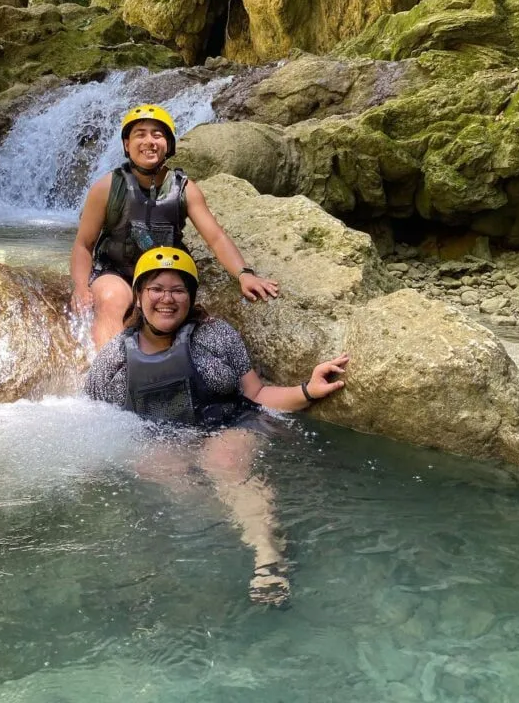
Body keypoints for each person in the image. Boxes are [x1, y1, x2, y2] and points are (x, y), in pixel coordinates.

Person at [84, 246, 348, 606]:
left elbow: (256, 394)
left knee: (223, 462)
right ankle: (247, 528)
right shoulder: (114, 357)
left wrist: (308, 389)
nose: (167, 298)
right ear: (140, 294)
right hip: (165, 437)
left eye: (178, 290)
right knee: (157, 466)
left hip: (229, 423)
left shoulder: (216, 335)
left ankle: (267, 557)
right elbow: (95, 417)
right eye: (156, 288)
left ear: (190, 297)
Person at [71, 103, 279, 348]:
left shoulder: (185, 189)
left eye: (157, 135)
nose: (149, 141)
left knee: (172, 308)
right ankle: (109, 374)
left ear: (168, 145)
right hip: (115, 271)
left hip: (164, 272)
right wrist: (80, 287)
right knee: (110, 297)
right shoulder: (106, 188)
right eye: (140, 134)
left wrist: (244, 275)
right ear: (127, 145)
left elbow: (216, 238)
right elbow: (84, 244)